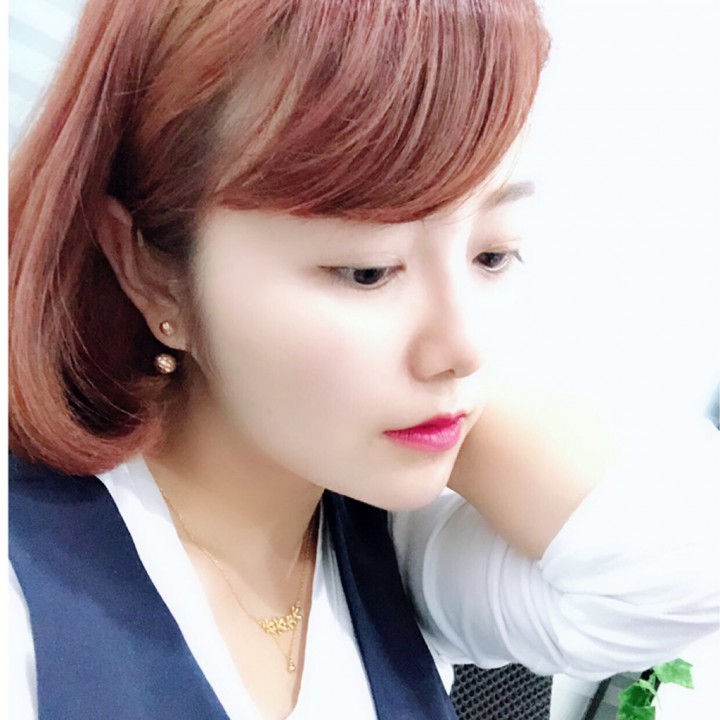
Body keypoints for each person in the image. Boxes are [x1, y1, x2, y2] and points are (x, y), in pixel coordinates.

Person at [8, 1, 719, 719]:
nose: (465, 347)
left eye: (493, 254)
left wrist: (439, 413)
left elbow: (686, 566)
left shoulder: (393, 550)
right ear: (151, 269)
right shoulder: (28, 586)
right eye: (367, 271)